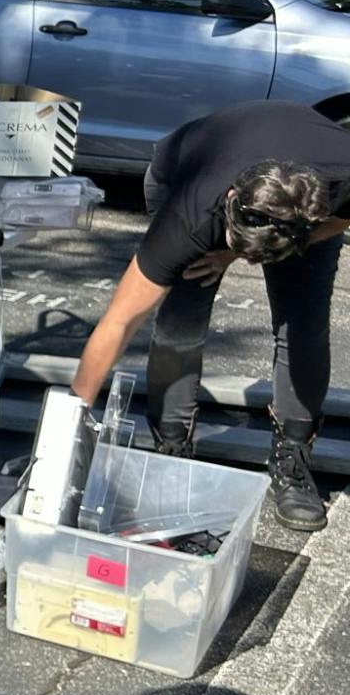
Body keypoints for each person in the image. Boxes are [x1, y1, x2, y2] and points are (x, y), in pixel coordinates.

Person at [71, 101, 350, 531]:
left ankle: (293, 458)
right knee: (181, 322)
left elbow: (338, 220)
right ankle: (172, 448)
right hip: (186, 171)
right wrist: (70, 427)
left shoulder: (340, 178)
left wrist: (236, 254)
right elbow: (119, 322)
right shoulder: (190, 216)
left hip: (299, 197)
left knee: (304, 325)